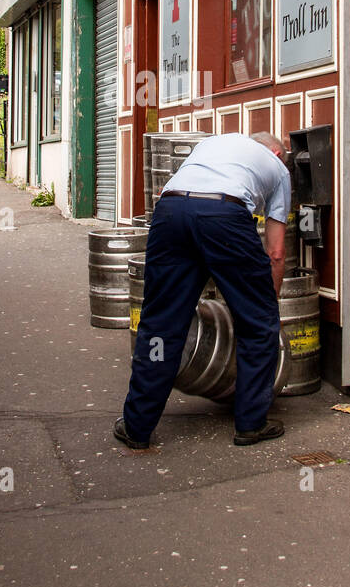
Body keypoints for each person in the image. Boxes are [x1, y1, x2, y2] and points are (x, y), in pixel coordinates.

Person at [115, 132, 292, 449]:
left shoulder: (213, 144)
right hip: (224, 214)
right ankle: (251, 424)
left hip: (170, 211)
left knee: (160, 324)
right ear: (277, 152)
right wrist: (268, 305)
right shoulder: (279, 170)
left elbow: (192, 200)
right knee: (258, 323)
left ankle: (136, 426)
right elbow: (275, 252)